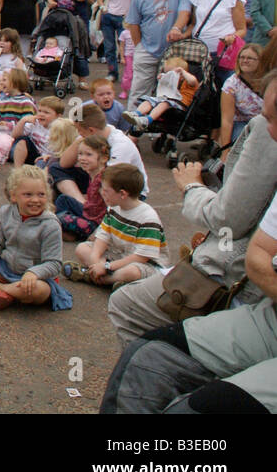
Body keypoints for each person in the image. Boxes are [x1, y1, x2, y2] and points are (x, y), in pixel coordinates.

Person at [107, 71, 277, 345]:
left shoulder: (267, 131)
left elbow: (228, 219)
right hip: (249, 275)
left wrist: (192, 187)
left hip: (238, 287)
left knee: (126, 304)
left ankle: (164, 376)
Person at [101, 188, 277, 414]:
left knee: (199, 408)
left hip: (223, 280)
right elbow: (260, 253)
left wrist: (192, 187)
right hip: (271, 315)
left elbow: (228, 215)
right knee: (147, 359)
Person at [0, 165, 71, 313]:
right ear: (13, 195)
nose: (35, 200)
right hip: (6, 267)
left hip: (31, 280)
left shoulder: (50, 224)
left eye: (41, 194)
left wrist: (34, 273)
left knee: (40, 291)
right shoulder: (6, 212)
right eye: (28, 194)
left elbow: (54, 264)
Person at [65, 163, 166, 287]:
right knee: (82, 249)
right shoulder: (114, 208)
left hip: (145, 264)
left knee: (132, 272)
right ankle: (113, 280)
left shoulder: (148, 217)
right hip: (118, 255)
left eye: (106, 190)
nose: (101, 192)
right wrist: (95, 260)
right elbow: (102, 237)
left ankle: (96, 278)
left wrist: (107, 266)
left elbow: (141, 257)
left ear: (123, 194)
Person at [125, 0, 193, 104]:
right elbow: (134, 24)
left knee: (169, 91)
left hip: (173, 51)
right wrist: (139, 46)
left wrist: (176, 28)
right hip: (146, 49)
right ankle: (133, 122)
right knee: (139, 90)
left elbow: (185, 12)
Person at [187, 0, 246, 80]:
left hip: (222, 51)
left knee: (222, 87)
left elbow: (241, 29)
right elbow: (193, 23)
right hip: (199, 51)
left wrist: (232, 37)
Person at [122, 55, 200, 133]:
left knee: (165, 103)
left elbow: (193, 80)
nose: (167, 75)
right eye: (166, 73)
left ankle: (147, 120)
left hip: (180, 105)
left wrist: (183, 72)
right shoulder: (170, 82)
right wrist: (163, 79)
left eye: (170, 74)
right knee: (149, 100)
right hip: (166, 99)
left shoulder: (188, 82)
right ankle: (136, 113)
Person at [46, 0, 93, 81]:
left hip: (77, 18)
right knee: (58, 44)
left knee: (79, 48)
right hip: (60, 17)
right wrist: (50, 2)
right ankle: (53, 72)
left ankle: (82, 78)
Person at [96, 0, 137, 84]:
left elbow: (135, 0)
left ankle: (128, 72)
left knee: (126, 47)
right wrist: (102, 7)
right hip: (108, 16)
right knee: (109, 47)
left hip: (124, 18)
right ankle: (112, 72)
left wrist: (130, 14)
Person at [218, 44, 265, 152]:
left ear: (260, 61)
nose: (245, 61)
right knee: (241, 143)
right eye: (242, 57)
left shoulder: (269, 80)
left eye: (250, 58)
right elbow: (227, 120)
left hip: (266, 121)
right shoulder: (231, 84)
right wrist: (225, 150)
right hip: (243, 123)